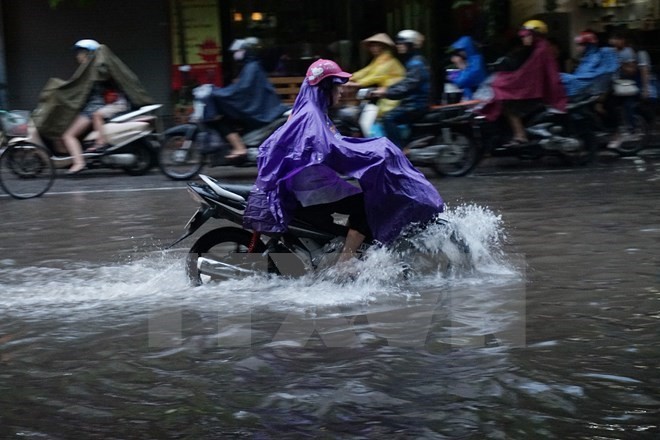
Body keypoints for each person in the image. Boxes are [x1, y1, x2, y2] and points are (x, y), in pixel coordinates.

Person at [242, 59, 444, 262]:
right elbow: (333, 150)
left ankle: (344, 248)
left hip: (316, 185)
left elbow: (334, 145)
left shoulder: (312, 112)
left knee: (360, 198)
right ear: (325, 88)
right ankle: (345, 262)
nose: (341, 92)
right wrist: (374, 152)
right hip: (312, 191)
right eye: (337, 87)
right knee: (367, 205)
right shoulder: (310, 116)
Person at [479, 20, 567, 146]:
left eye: (527, 35)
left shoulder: (540, 50)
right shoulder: (539, 47)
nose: (524, 38)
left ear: (535, 35)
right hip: (541, 88)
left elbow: (528, 74)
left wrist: (506, 81)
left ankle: (520, 136)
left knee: (509, 108)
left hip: (541, 91)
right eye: (523, 36)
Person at [202, 37, 287, 162]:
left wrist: (217, 93)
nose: (237, 54)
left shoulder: (251, 67)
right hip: (261, 107)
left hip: (259, 111)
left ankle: (239, 147)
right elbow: (240, 88)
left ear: (247, 51)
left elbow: (241, 90)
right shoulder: (252, 66)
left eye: (240, 50)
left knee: (220, 120)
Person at [62, 39, 130, 174]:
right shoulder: (89, 72)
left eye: (81, 53)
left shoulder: (97, 70)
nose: (78, 56)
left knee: (68, 135)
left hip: (94, 107)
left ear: (90, 54)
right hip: (94, 107)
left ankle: (79, 162)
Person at [370, 29, 431, 150]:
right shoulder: (413, 61)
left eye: (402, 43)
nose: (399, 46)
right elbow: (404, 83)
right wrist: (387, 89)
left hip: (416, 104)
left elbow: (408, 86)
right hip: (412, 102)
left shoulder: (416, 63)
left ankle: (399, 150)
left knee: (388, 118)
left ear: (410, 45)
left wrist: (387, 92)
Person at [344, 32, 405, 118]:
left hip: (394, 94)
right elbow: (366, 71)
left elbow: (376, 76)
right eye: (372, 46)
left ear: (383, 47)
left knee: (382, 115)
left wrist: (357, 84)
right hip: (385, 92)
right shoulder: (379, 59)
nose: (373, 48)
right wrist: (348, 77)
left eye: (376, 46)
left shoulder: (388, 60)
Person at [560, 30, 619, 98]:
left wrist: (563, 77)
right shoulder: (588, 57)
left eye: (581, 45)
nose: (577, 47)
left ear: (589, 45)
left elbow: (584, 79)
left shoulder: (593, 59)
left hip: (585, 93)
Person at [446, 36, 488, 101]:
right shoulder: (469, 60)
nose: (460, 53)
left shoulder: (477, 62)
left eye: (461, 50)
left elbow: (461, 81)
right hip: (470, 98)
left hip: (481, 98)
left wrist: (460, 66)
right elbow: (455, 78)